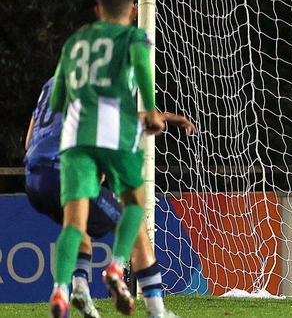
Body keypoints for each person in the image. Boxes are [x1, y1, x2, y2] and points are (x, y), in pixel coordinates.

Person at [47, 0, 167, 318]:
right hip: (116, 133)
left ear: (97, 11)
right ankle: (115, 266)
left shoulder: (73, 42)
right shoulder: (133, 37)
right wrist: (151, 109)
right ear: (133, 12)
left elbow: (56, 100)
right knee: (134, 204)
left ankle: (61, 289)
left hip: (75, 140)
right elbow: (142, 65)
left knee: (74, 224)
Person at [26, 78, 194, 318]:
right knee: (135, 226)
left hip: (34, 180)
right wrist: (161, 117)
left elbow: (29, 142)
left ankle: (78, 288)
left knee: (78, 224)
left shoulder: (52, 83)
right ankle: (156, 310)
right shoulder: (96, 79)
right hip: (65, 173)